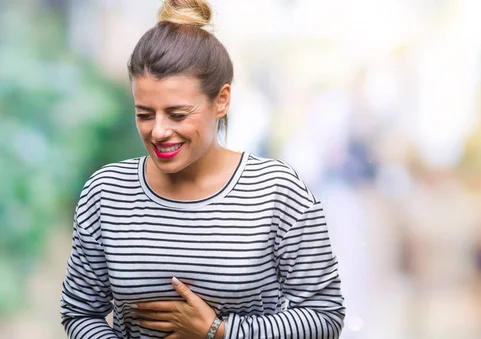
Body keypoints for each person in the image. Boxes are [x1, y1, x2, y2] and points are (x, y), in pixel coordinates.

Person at [59, 0, 345, 338]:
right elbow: (79, 313)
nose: (159, 131)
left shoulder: (277, 191)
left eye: (177, 114)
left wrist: (219, 331)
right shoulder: (106, 193)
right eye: (145, 114)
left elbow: (324, 317)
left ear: (221, 100)